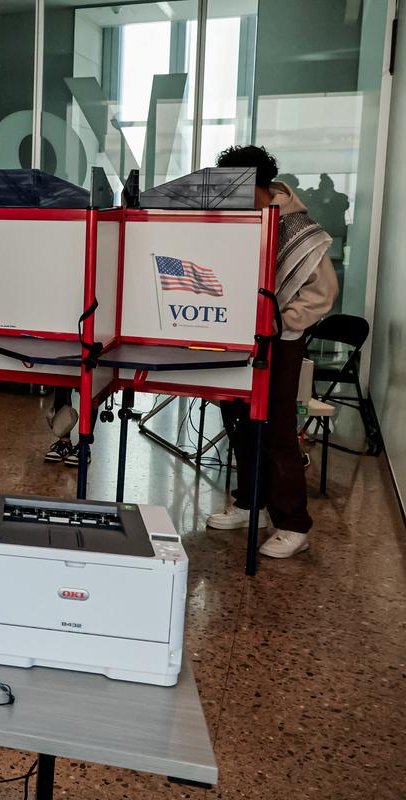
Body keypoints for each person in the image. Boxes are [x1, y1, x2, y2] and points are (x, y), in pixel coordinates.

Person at [206, 145, 338, 559]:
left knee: (277, 426)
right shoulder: (240, 220)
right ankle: (251, 504)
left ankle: (293, 524)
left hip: (279, 340)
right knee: (238, 420)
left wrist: (282, 319)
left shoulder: (296, 227)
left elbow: (324, 292)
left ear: (252, 181)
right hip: (238, 335)